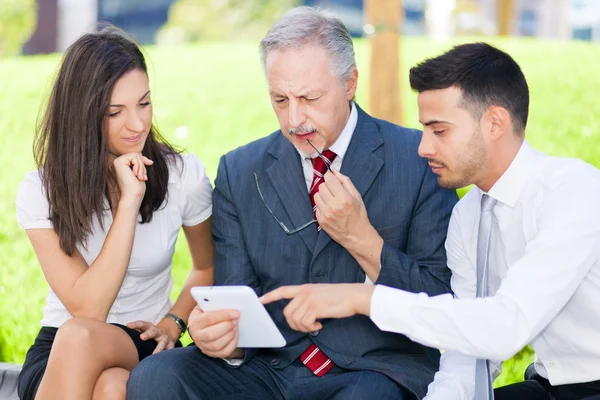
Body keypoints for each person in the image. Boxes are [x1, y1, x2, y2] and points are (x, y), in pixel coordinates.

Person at [126, 6, 457, 400]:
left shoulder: (418, 161)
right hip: (268, 370)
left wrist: (362, 239)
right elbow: (238, 303)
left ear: (350, 82)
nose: (294, 118)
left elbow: (440, 301)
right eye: (280, 99)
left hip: (374, 370)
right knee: (156, 376)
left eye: (309, 97)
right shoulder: (239, 170)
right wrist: (223, 339)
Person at [261, 42, 600, 400]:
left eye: (439, 131)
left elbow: (506, 325)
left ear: (495, 123)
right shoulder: (468, 217)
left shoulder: (574, 192)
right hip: (550, 387)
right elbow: (470, 351)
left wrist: (366, 298)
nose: (423, 148)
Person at [16, 27, 215, 400]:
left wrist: (173, 323)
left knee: (109, 371)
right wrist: (128, 203)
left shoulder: (182, 176)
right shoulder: (41, 189)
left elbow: (207, 266)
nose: (138, 124)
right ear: (83, 114)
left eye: (144, 103)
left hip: (142, 342)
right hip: (61, 351)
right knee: (108, 381)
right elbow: (88, 309)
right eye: (115, 112)